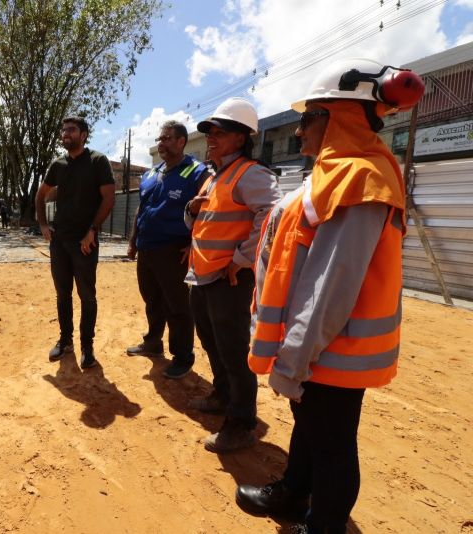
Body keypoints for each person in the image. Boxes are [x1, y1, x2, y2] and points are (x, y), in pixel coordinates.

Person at [235, 58, 424, 533]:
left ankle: (325, 525)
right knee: (314, 431)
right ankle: (295, 493)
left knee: (333, 446)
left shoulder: (361, 178)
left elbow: (332, 286)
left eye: (308, 118)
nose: (299, 132)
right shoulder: (337, 175)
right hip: (320, 348)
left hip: (330, 352)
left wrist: (294, 359)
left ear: (338, 116)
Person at [184, 97, 281, 452]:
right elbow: (203, 223)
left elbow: (271, 216)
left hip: (230, 280)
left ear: (241, 138)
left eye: (219, 133)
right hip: (204, 278)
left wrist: (241, 259)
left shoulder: (251, 173)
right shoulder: (214, 178)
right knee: (213, 344)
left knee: (234, 351)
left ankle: (241, 424)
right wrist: (190, 210)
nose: (211, 138)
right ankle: (222, 394)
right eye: (209, 132)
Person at [126, 120, 208, 379]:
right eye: (160, 139)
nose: (161, 143)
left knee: (178, 306)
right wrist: (132, 241)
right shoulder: (152, 174)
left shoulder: (197, 172)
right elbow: (141, 209)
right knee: (152, 300)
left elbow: (209, 209)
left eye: (167, 138)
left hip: (174, 252)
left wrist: (194, 244)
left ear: (182, 141)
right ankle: (153, 343)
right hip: (147, 249)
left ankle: (183, 357)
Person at [36, 116, 116, 369]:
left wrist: (92, 230)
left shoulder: (97, 161)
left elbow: (109, 198)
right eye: (63, 130)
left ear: (83, 134)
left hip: (85, 242)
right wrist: (43, 224)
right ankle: (65, 341)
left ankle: (88, 347)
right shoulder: (58, 165)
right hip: (59, 241)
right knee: (63, 294)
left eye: (70, 130)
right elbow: (41, 194)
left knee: (87, 296)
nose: (65, 134)